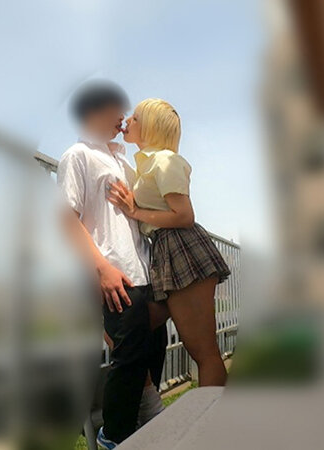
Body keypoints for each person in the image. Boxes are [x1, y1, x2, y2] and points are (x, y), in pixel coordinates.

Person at [57, 81, 166, 449]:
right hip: (113, 272)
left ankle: (148, 427)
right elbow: (66, 219)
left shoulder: (123, 160)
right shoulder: (78, 155)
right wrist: (101, 269)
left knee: (151, 350)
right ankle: (114, 438)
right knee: (130, 356)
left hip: (142, 271)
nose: (122, 115)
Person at [108, 98, 231, 387]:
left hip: (181, 247)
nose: (127, 121)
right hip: (165, 252)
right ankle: (147, 398)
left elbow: (184, 216)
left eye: (135, 118)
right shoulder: (147, 164)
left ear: (150, 126)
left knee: (203, 352)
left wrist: (135, 212)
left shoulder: (165, 161)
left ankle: (215, 413)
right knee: (127, 331)